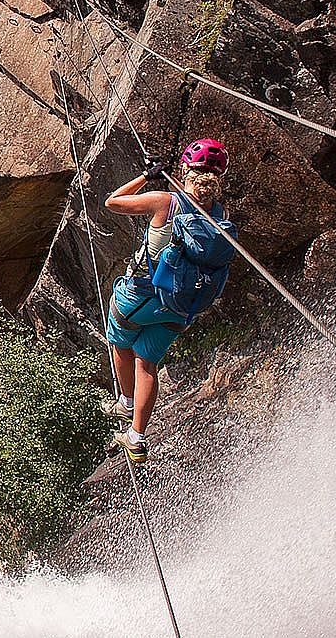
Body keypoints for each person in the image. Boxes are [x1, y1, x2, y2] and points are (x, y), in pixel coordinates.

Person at [102, 138, 231, 464]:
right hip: (180, 306)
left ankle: (127, 403)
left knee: (119, 340)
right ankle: (137, 437)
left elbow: (113, 202)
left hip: (141, 295)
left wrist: (148, 175)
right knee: (148, 364)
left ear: (186, 170)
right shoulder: (219, 216)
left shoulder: (165, 201)